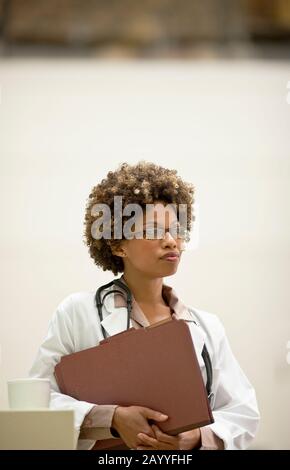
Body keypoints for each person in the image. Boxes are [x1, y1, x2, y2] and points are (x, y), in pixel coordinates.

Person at [29, 161, 259, 450]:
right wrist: (112, 418)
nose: (171, 241)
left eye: (176, 229)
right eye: (153, 230)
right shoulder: (77, 313)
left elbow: (243, 413)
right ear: (117, 244)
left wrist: (196, 437)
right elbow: (38, 400)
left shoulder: (206, 326)